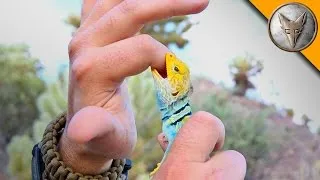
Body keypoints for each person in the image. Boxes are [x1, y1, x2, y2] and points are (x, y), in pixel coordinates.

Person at [32, 0, 246, 179]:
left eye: (176, 71)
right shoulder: (174, 111)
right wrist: (79, 160)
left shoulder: (178, 112)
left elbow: (169, 137)